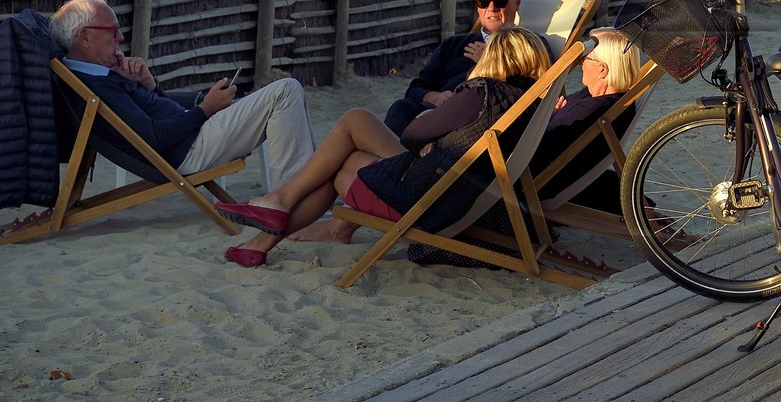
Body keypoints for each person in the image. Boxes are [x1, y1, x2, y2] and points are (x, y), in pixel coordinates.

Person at [215, 26, 550, 267]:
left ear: (498, 58)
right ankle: (265, 233)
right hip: (454, 190)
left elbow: (414, 131)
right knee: (348, 145)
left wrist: (435, 129)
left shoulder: (483, 91)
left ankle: (277, 206)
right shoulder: (528, 102)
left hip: (431, 200)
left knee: (353, 123)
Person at [51, 0, 316, 182]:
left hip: (191, 137)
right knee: (285, 91)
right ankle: (292, 197)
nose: (120, 38)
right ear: (84, 37)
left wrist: (149, 86)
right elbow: (154, 139)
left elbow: (153, 115)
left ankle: (300, 190)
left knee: (285, 96)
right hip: (189, 150)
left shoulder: (97, 75)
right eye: (113, 30)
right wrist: (204, 109)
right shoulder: (95, 87)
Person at [383, 0, 540, 134]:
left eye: (500, 1)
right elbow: (415, 89)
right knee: (400, 108)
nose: (491, 8)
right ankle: (387, 158)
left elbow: (531, 90)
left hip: (473, 124)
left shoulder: (528, 46)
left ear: (517, 2)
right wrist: (434, 97)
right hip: (431, 115)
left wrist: (489, 61)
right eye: (484, 2)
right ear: (478, 7)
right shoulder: (454, 44)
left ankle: (389, 158)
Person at [534, 27, 642, 212]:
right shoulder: (602, 99)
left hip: (541, 183)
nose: (581, 61)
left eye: (586, 56)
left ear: (602, 69)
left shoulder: (591, 109)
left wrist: (549, 116)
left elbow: (540, 148)